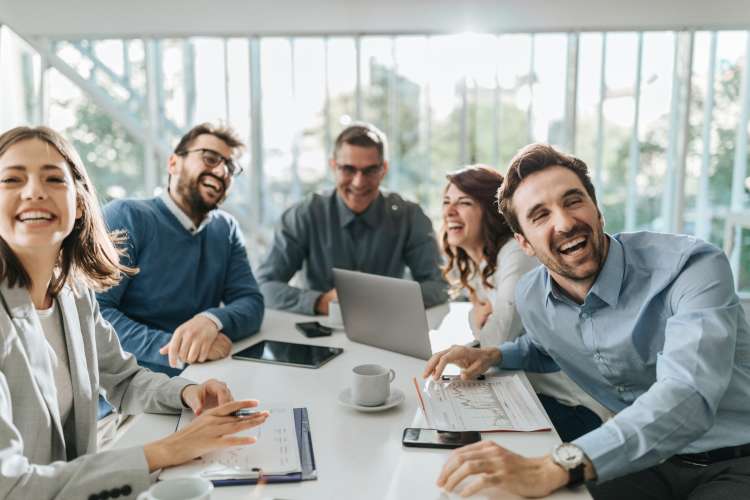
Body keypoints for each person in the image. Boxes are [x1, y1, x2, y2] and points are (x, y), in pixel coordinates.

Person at [424, 143, 750, 499]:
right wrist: (495, 356)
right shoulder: (532, 293)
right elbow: (548, 343)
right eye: (540, 215)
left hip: (735, 462)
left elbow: (688, 394)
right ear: (525, 243)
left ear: (597, 210)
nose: (564, 223)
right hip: (641, 461)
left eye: (573, 201)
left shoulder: (693, 266)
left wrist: (555, 464)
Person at [0, 126, 269, 498]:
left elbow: (122, 378)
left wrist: (188, 392)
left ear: (79, 204)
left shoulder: (73, 293)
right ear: (173, 163)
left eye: (53, 178)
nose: (34, 191)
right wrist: (167, 451)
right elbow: (10, 485)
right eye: (12, 179)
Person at [441, 165, 609, 441]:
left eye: (464, 203)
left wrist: (477, 318)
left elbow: (495, 338)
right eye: (447, 202)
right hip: (530, 393)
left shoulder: (516, 254)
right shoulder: (482, 263)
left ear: (490, 210)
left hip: (575, 407)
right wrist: (479, 315)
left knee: (464, 427)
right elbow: (491, 339)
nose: (449, 212)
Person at [96, 122, 264, 378]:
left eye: (230, 167)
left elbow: (251, 302)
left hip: (203, 378)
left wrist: (212, 320)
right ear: (173, 163)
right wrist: (182, 349)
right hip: (129, 391)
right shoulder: (126, 216)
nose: (221, 171)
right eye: (209, 158)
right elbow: (95, 315)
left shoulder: (226, 229)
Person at [256, 122, 448, 315]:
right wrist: (320, 302)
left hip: (384, 331)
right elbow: (264, 285)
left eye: (370, 171)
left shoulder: (409, 216)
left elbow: (439, 286)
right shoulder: (304, 214)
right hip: (316, 336)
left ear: (384, 169)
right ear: (333, 166)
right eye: (348, 169)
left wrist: (384, 299)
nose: (358, 182)